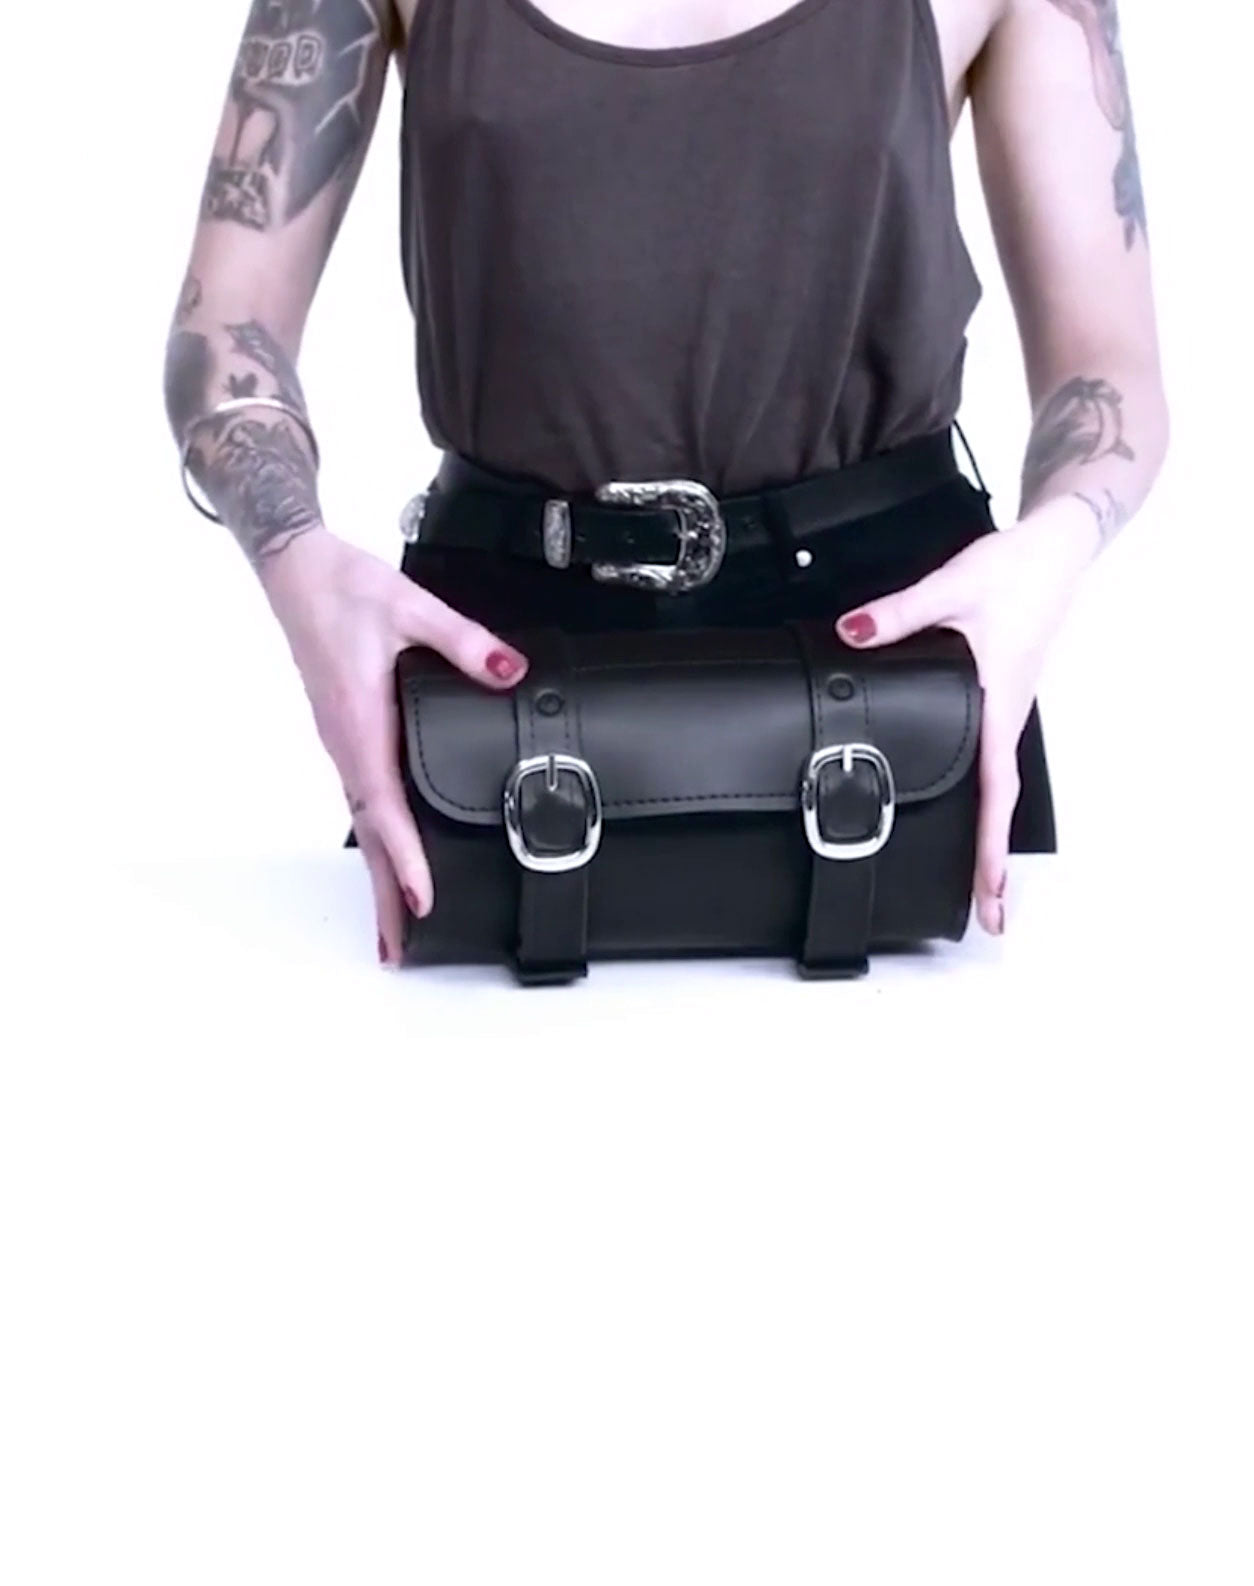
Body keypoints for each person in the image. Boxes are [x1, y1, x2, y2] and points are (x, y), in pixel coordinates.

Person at [163, 0, 1169, 968]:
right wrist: (300, 568)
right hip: (497, 678)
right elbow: (226, 333)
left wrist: (1051, 550)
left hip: (901, 676)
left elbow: (1109, 366)